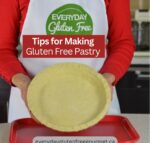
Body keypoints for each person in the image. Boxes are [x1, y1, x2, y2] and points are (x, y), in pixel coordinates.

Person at [0, 0, 135, 123]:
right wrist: (23, 83)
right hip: (31, 103)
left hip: (96, 100)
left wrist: (107, 79)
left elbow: (122, 43)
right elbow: (3, 49)